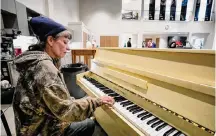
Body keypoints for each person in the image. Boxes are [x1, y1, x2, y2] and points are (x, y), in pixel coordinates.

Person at [12, 16, 115, 136]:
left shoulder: (37, 59)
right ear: (50, 40)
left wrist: (84, 101)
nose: (68, 48)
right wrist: (97, 101)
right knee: (89, 124)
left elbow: (58, 100)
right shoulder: (44, 68)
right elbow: (67, 111)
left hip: (35, 124)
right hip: (40, 130)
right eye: (64, 42)